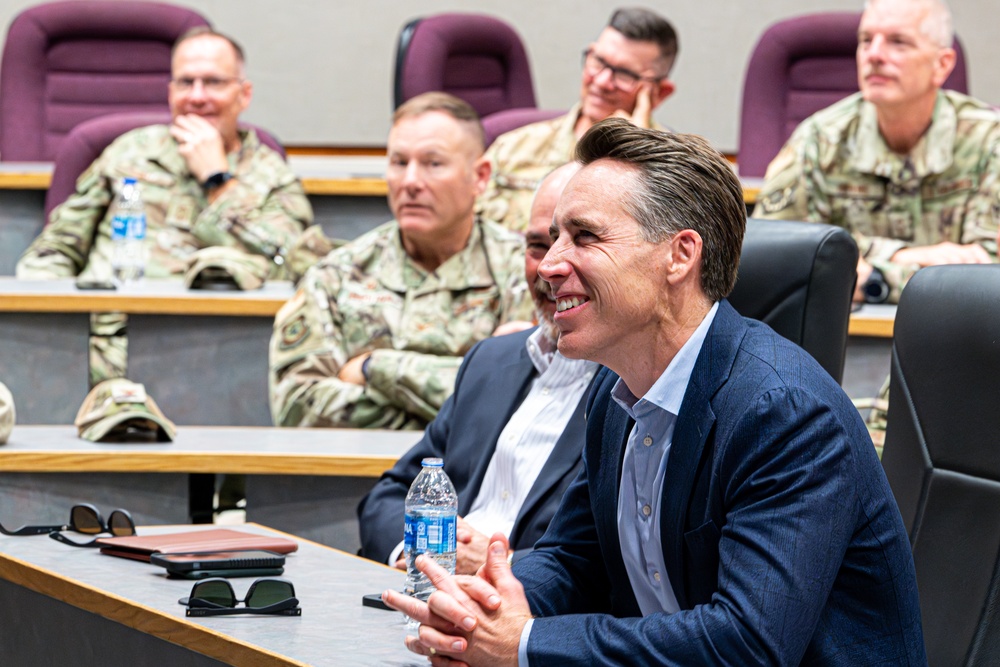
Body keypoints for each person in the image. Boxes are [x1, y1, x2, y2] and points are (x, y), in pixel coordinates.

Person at [384, 119, 925, 665]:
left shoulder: (785, 413)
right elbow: (574, 558)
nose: (548, 266)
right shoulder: (614, 393)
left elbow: (747, 644)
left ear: (680, 256)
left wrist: (523, 645)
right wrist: (477, 610)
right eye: (551, 240)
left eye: (585, 236)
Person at [16, 27, 312, 384]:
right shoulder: (129, 152)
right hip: (98, 346)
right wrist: (55, 329)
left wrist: (218, 181)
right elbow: (54, 250)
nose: (197, 96)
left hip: (217, 357)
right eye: (185, 83)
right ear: (170, 93)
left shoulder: (271, 175)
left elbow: (293, 266)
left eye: (214, 82)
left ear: (244, 94)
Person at [357, 163, 597, 574]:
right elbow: (391, 495)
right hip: (420, 596)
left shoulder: (635, 388)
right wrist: (420, 556)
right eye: (538, 246)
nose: (547, 268)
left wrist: (488, 567)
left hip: (527, 613)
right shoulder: (490, 361)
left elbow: (607, 561)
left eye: (579, 245)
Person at [269, 93, 532, 430]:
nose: (410, 182)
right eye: (398, 162)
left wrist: (374, 368)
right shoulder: (336, 274)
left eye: (433, 163)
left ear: (480, 176)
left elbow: (528, 398)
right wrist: (453, 411)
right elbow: (297, 406)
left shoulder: (524, 269)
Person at [754, 0, 999, 305]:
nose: (874, 55)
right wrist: (903, 256)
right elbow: (775, 258)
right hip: (845, 338)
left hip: (961, 333)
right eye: (866, 40)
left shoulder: (991, 141)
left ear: (942, 64)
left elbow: (989, 274)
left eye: (898, 42)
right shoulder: (818, 139)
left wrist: (871, 276)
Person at [477, 7, 678, 232]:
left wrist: (633, 151)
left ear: (660, 93)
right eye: (599, 61)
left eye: (624, 74)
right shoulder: (513, 148)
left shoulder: (676, 174)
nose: (602, 81)